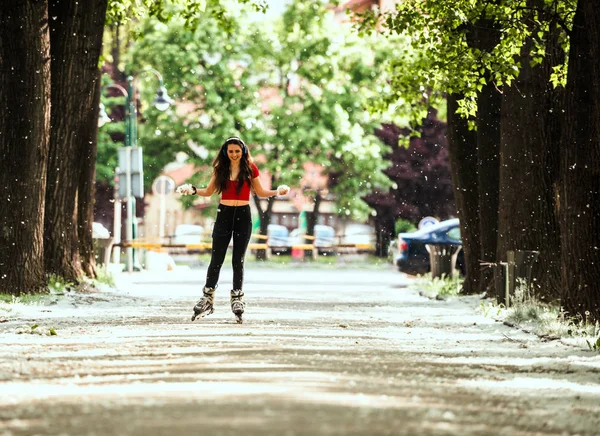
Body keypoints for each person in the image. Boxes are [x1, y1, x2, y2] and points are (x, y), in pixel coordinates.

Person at [176, 136, 290, 324]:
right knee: (216, 258)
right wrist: (193, 190)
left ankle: (237, 297)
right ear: (225, 152)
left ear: (243, 151)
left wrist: (278, 192)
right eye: (231, 151)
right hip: (224, 214)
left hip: (243, 216)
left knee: (239, 259)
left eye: (237, 151)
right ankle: (207, 297)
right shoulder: (220, 169)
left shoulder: (250, 169)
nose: (234, 154)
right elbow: (209, 191)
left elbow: (260, 192)